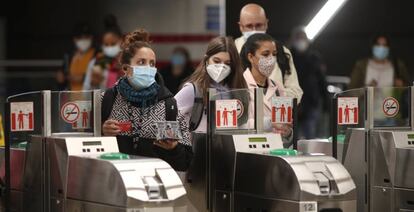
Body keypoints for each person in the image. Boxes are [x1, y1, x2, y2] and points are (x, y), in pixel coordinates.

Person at [101, 28, 192, 171]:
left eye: (152, 63)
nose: (148, 68)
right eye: (141, 62)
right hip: (115, 183)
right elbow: (87, 148)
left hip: (154, 185)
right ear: (126, 68)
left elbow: (184, 163)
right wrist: (102, 133)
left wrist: (173, 148)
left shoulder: (168, 105)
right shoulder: (107, 100)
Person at [174, 36, 247, 143]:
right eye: (216, 61)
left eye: (227, 63)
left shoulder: (236, 90)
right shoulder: (193, 90)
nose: (221, 67)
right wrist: (184, 139)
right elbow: (168, 118)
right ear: (206, 60)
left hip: (229, 151)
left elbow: (242, 124)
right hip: (197, 152)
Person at [234, 3, 303, 102]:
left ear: (266, 24)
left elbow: (295, 91)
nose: (254, 30)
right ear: (241, 26)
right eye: (249, 26)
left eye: (258, 25)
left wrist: (274, 98)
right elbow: (225, 91)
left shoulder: (282, 52)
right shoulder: (231, 51)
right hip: (242, 114)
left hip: (276, 114)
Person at [240, 33, 292, 147]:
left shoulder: (278, 88)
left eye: (274, 54)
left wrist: (287, 131)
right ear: (250, 57)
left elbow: (285, 132)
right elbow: (236, 126)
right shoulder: (239, 86)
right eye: (265, 54)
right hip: (248, 151)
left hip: (275, 152)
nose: (271, 59)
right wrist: (269, 123)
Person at [288, 26, 328, 139]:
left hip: (311, 103)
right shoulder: (287, 57)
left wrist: (326, 101)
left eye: (303, 38)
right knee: (292, 138)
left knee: (311, 137)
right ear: (293, 40)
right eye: (298, 38)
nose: (301, 41)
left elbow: (322, 80)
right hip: (292, 105)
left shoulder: (314, 57)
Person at [83, 15, 123, 90]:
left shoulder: (127, 62)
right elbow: (85, 93)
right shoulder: (95, 63)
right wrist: (93, 83)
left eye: (113, 44)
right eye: (106, 44)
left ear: (121, 41)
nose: (110, 47)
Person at [56, 22, 96, 91]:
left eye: (86, 37)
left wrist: (84, 78)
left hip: (90, 97)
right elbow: (63, 76)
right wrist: (61, 79)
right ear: (74, 39)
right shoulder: (68, 56)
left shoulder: (97, 54)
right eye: (80, 38)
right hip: (71, 98)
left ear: (91, 38)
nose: (83, 40)